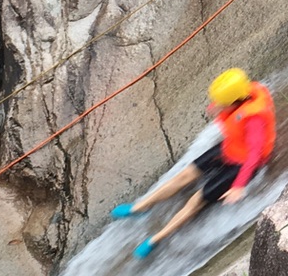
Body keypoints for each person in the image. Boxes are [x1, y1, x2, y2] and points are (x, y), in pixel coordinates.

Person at [114, 68, 276, 256]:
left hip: (244, 164)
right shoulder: (241, 96)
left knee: (197, 199)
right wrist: (218, 109)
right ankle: (139, 208)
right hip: (230, 148)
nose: (216, 106)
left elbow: (255, 154)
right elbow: (229, 112)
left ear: (234, 101)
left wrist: (239, 186)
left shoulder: (253, 118)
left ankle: (155, 239)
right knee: (185, 175)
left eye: (221, 104)